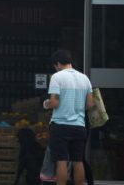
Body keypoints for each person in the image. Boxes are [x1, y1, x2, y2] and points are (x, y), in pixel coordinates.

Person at [43, 49, 93, 185]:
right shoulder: (84, 78)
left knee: (61, 162)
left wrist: (46, 104)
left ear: (58, 64)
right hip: (79, 126)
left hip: (60, 126)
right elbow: (90, 104)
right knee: (78, 161)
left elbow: (54, 102)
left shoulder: (57, 77)